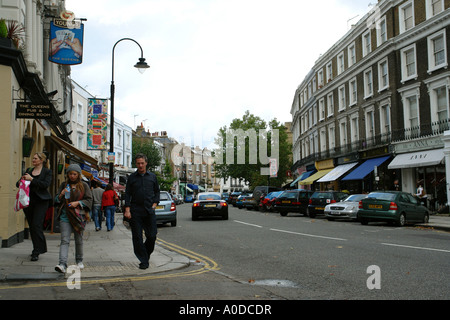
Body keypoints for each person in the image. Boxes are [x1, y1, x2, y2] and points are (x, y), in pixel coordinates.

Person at [124, 153, 160, 270]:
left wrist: (155, 204)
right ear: (136, 164)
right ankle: (144, 261)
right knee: (137, 237)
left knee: (152, 236)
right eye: (138, 163)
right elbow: (128, 193)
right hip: (136, 211)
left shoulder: (152, 177)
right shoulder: (132, 178)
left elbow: (157, 192)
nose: (140, 165)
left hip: (149, 211)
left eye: (142, 163)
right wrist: (127, 209)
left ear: (146, 163)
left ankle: (144, 254)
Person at [54, 164, 92, 273]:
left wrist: (78, 203)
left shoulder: (84, 186)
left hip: (79, 217)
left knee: (78, 240)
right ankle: (62, 264)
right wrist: (61, 194)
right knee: (64, 240)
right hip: (65, 216)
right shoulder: (63, 185)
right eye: (70, 174)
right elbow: (56, 200)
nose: (72, 176)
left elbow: (89, 200)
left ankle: (79, 260)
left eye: (74, 174)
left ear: (78, 175)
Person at [16, 153, 52, 261]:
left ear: (41, 160)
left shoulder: (47, 172)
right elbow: (18, 184)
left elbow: (45, 185)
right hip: (28, 201)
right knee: (32, 226)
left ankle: (37, 250)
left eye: (36, 158)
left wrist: (31, 179)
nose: (33, 160)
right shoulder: (29, 170)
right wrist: (21, 180)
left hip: (41, 201)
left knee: (37, 225)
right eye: (33, 158)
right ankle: (36, 248)